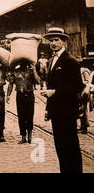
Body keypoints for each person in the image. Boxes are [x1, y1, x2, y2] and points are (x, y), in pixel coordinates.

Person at [41, 27, 84, 173]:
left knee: (70, 146)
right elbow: (51, 85)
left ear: (63, 41)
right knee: (60, 147)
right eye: (51, 40)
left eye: (56, 40)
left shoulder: (70, 61)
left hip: (67, 111)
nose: (53, 43)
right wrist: (48, 109)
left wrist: (55, 92)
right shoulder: (52, 60)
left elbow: (77, 87)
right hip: (56, 112)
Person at [6, 61, 41, 144]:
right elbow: (11, 83)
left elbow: (38, 81)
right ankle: (23, 136)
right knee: (21, 116)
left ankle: (30, 136)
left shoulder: (31, 71)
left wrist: (35, 71)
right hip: (20, 95)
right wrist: (8, 95)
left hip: (29, 95)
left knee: (30, 115)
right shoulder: (15, 71)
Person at [78, 59, 91, 134]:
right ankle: (82, 126)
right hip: (80, 92)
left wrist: (80, 82)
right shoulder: (81, 70)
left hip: (84, 92)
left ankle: (84, 127)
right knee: (81, 109)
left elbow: (87, 82)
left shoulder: (84, 71)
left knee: (83, 109)